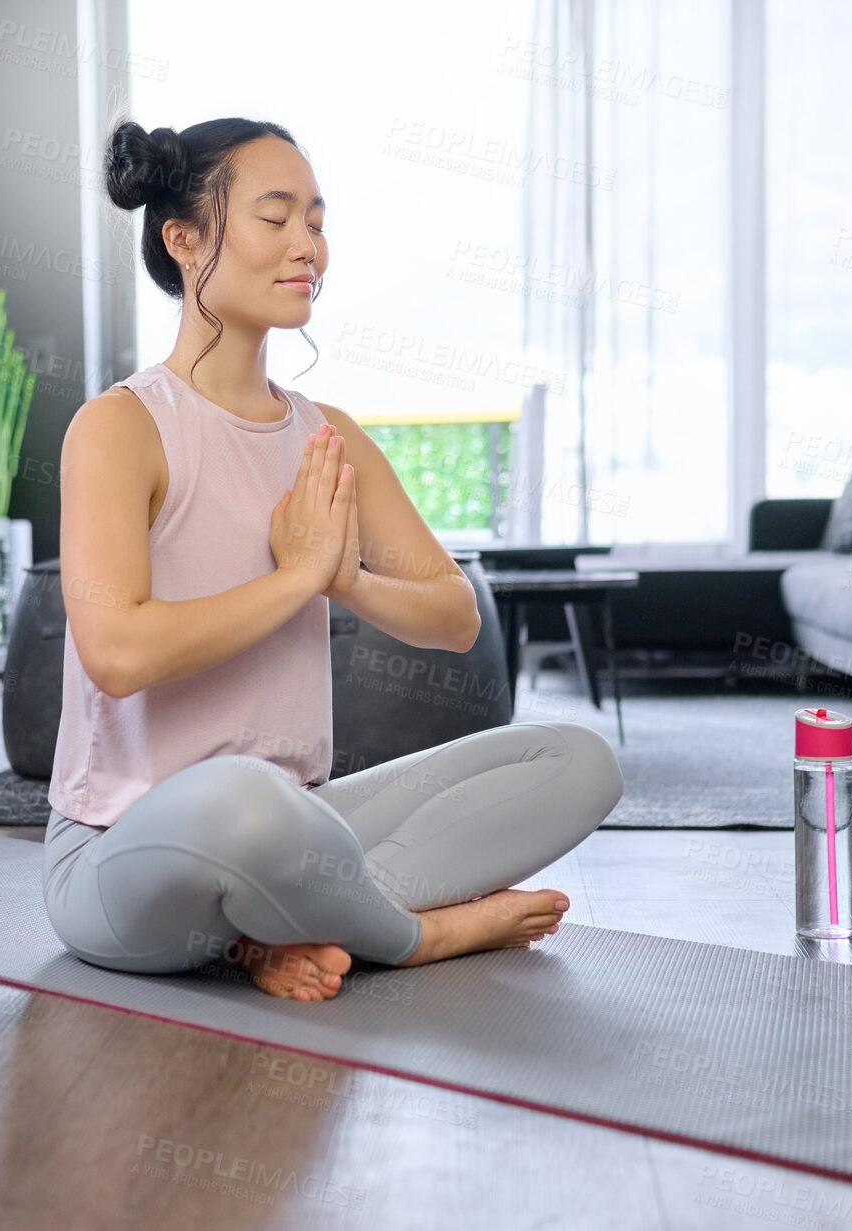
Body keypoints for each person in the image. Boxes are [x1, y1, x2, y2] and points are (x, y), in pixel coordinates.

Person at [43, 116, 625, 1002]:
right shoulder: (121, 427)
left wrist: (343, 575)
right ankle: (414, 934)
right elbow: (116, 654)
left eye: (315, 220)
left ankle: (280, 925)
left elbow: (455, 612)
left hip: (298, 825)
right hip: (125, 853)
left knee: (577, 761)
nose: (307, 244)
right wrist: (293, 580)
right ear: (185, 238)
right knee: (242, 798)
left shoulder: (328, 435)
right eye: (275, 218)